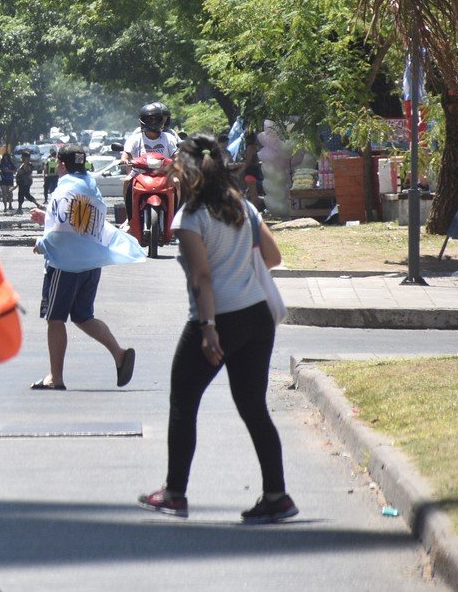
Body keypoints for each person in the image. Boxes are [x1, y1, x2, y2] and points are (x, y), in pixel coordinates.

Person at [139, 133, 298, 523]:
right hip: (257, 316)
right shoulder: (243, 207)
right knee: (254, 407)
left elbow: (202, 277)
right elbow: (273, 257)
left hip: (217, 318)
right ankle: (277, 495)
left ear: (187, 173)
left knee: (183, 403)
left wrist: (209, 328)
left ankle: (175, 493)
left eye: (176, 170)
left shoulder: (190, 217)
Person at [28, 144, 135, 391]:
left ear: (62, 165)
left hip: (65, 266)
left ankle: (56, 377)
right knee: (83, 316)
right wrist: (47, 217)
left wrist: (42, 243)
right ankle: (119, 354)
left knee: (55, 318)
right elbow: (82, 220)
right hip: (89, 264)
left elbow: (65, 229)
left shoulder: (65, 188)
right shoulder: (89, 185)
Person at [122, 101, 181, 228]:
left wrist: (178, 161)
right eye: (149, 119)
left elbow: (176, 155)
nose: (153, 122)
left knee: (177, 182)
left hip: (164, 173)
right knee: (126, 180)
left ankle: (176, 216)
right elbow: (125, 154)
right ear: (142, 121)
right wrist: (124, 160)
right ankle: (129, 217)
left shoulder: (169, 138)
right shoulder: (135, 138)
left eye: (156, 119)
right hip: (139, 172)